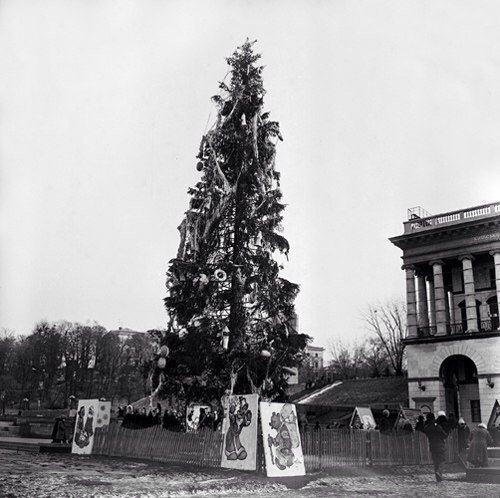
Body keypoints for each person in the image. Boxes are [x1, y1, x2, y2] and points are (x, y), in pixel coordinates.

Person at [424, 412, 448, 482]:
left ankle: (438, 478)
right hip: (440, 445)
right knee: (442, 460)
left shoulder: (427, 428)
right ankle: (439, 472)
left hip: (432, 446)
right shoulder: (437, 427)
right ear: (433, 418)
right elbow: (444, 435)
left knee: (435, 461)